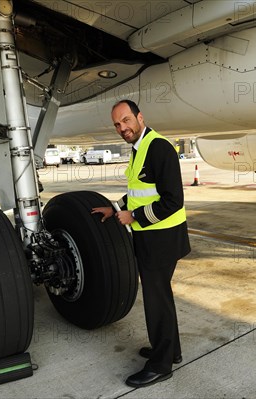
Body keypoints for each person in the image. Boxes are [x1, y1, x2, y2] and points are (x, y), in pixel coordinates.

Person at [91, 99, 191, 388]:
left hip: (162, 239)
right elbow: (140, 192)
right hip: (152, 238)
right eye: (117, 125)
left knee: (156, 302)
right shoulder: (139, 148)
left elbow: (173, 200)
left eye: (126, 120)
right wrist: (115, 208)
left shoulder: (158, 147)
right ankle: (170, 351)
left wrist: (133, 216)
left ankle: (160, 365)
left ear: (139, 117)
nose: (122, 128)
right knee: (162, 298)